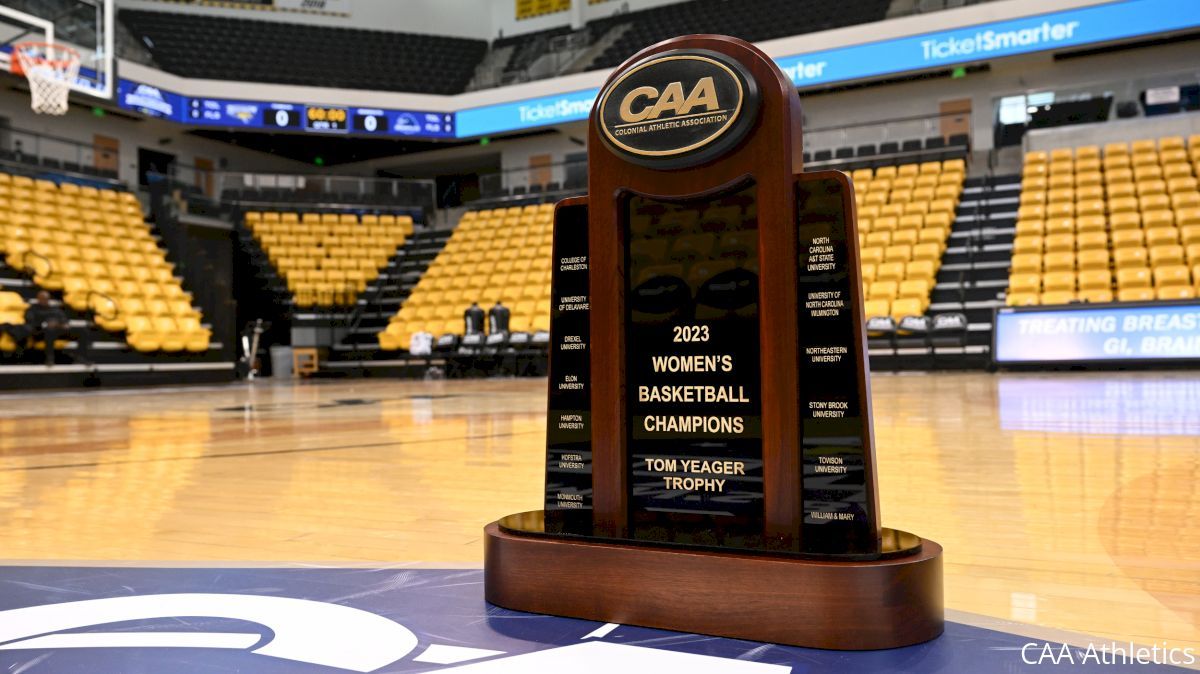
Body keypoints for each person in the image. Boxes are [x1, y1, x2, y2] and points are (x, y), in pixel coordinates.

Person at [23, 291, 91, 365]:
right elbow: (30, 322)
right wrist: (45, 324)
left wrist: (64, 324)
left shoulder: (54, 309)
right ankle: (49, 358)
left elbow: (64, 319)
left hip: (58, 330)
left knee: (82, 331)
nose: (44, 300)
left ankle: (81, 357)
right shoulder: (33, 309)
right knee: (49, 330)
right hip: (41, 332)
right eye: (42, 298)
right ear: (38, 299)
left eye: (46, 298)